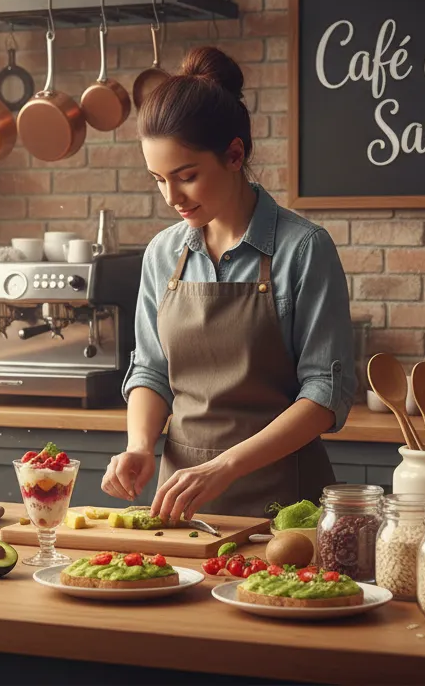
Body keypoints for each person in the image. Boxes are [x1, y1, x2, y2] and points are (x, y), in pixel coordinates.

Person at [100, 46, 357, 523]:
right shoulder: (163, 253)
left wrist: (226, 466)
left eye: (187, 177)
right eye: (158, 180)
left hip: (286, 510)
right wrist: (139, 445)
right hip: (180, 507)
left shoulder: (304, 250)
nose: (172, 198)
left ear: (234, 154)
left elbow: (325, 394)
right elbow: (152, 370)